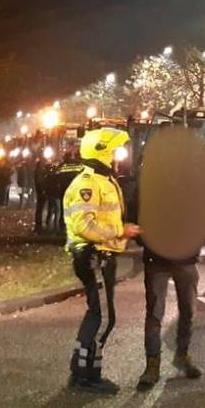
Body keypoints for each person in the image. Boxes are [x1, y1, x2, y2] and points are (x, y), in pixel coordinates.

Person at [65, 127, 141, 394]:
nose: (119, 155)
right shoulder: (88, 184)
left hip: (100, 255)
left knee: (97, 315)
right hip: (93, 255)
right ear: (103, 151)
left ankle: (85, 371)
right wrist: (122, 231)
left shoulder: (103, 180)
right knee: (104, 317)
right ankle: (86, 377)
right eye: (115, 149)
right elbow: (85, 226)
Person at [136, 245, 201, 390]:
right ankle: (152, 364)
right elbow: (136, 225)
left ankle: (182, 356)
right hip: (157, 261)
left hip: (186, 260)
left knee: (188, 311)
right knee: (155, 314)